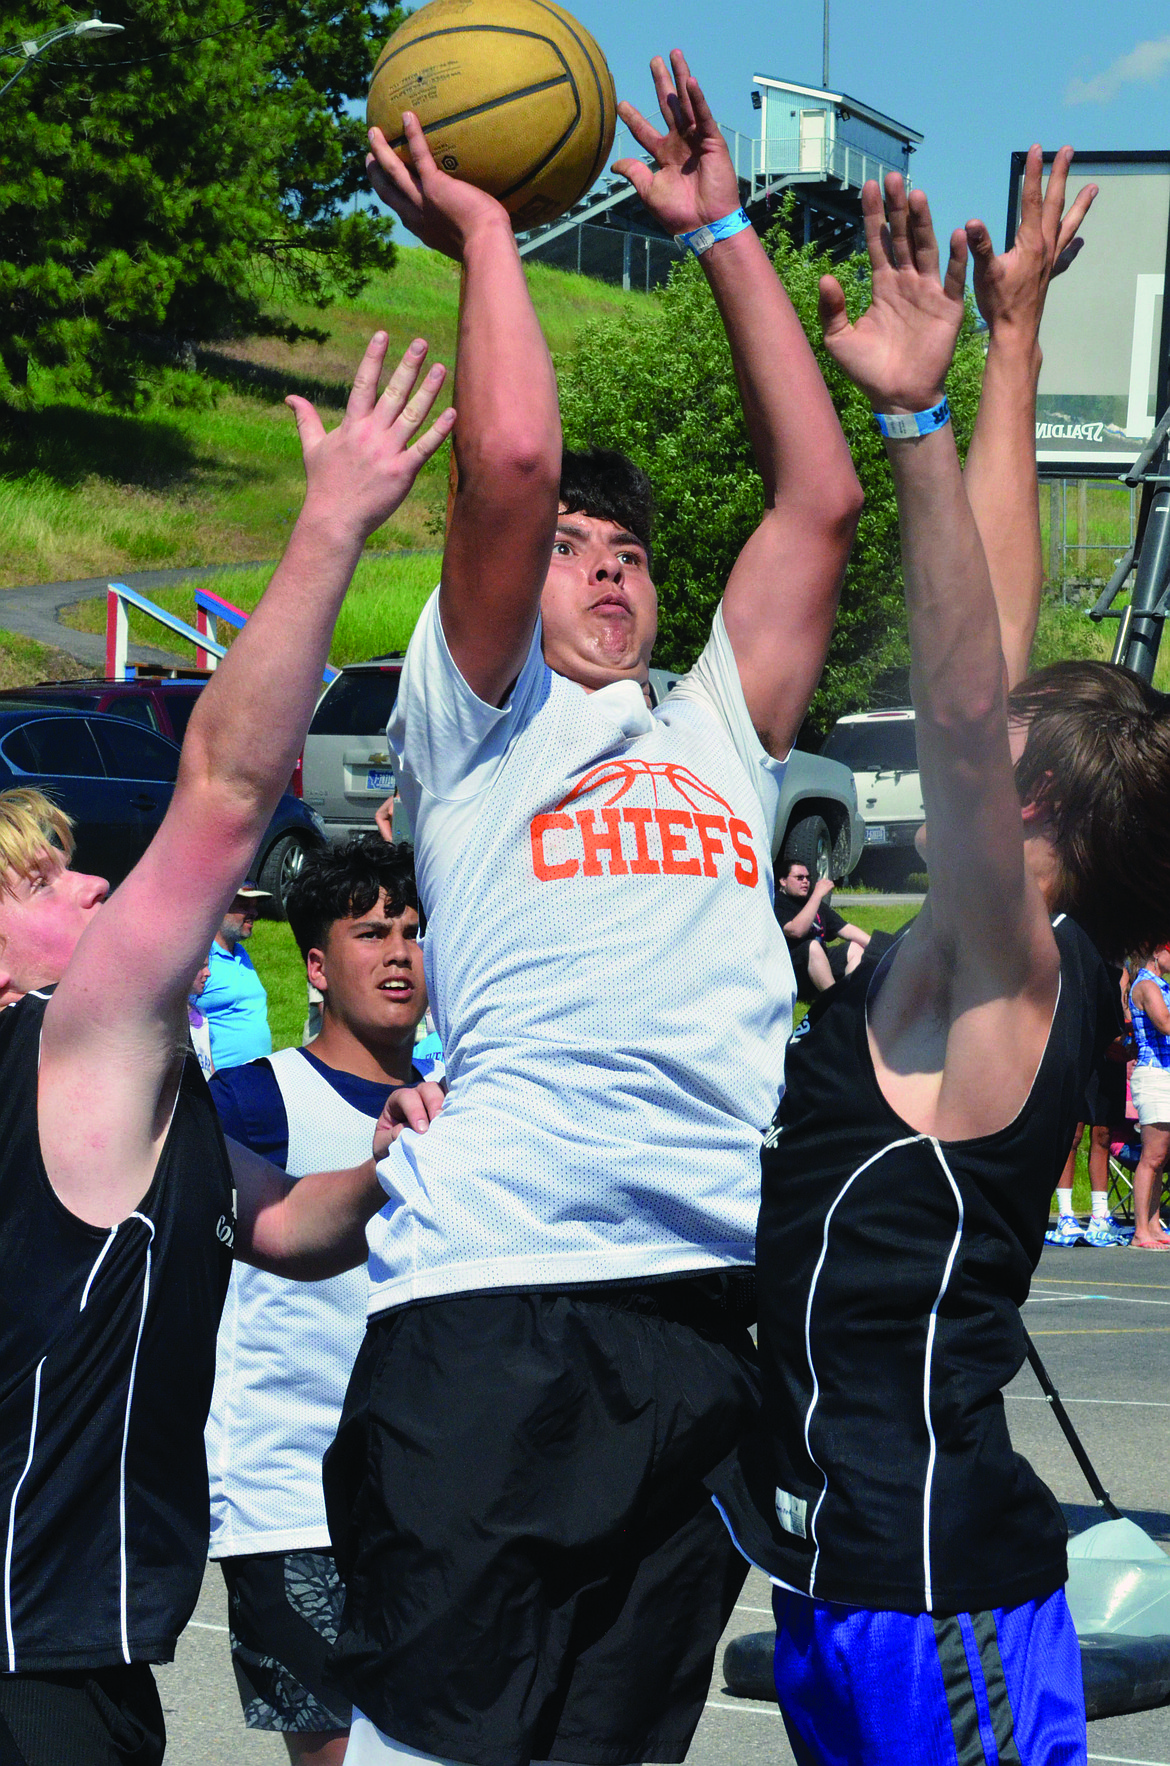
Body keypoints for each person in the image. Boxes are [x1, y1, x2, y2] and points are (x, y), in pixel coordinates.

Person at [326, 48, 863, 1766]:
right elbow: (507, 459)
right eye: (569, 547)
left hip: (703, 1305)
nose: (605, 562)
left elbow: (821, 500)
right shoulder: (471, 719)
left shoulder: (711, 732)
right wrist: (490, 232)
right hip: (497, 1297)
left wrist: (721, 231)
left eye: (625, 547)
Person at [710, 149, 1170, 1763]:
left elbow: (972, 703)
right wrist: (1016, 337)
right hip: (858, 1580)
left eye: (997, 739)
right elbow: (995, 611)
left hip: (936, 1599)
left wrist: (912, 416)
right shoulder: (1000, 945)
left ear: (1029, 797)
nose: (958, 701)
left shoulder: (1026, 966)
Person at [0, 331, 456, 1766]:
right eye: (48, 876)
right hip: (33, 1658)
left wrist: (389, 1170)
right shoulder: (68, 1052)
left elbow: (277, 1225)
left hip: (75, 1639)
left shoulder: (134, 1100)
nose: (90, 885)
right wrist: (330, 527)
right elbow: (224, 785)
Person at [205, 837, 429, 1765]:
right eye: (370, 931)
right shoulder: (253, 1102)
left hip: (427, 1497)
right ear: (314, 964)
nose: (399, 953)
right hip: (289, 1496)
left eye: (415, 931)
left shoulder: (463, 1104)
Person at [1047, 973, 1132, 1248]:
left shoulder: (1123, 970)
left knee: (1103, 1135)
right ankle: (1066, 1215)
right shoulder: (1086, 963)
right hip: (1084, 1054)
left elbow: (1123, 1012)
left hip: (1109, 1060)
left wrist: (1127, 1041)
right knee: (1073, 1134)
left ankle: (1099, 1214)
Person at [774, 860, 870, 998]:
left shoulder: (812, 902)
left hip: (820, 965)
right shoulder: (778, 903)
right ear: (783, 881)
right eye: (799, 878)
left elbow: (845, 929)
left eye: (807, 878)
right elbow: (796, 931)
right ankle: (833, 1000)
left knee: (855, 947)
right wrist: (817, 895)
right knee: (812, 946)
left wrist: (877, 945)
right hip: (793, 969)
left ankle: (850, 997)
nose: (805, 881)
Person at [202, 882, 273, 1068]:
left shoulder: (241, 953)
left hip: (256, 1078)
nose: (254, 913)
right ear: (220, 908)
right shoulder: (201, 959)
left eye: (255, 906)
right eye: (245, 906)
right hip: (219, 1086)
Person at [1127, 942, 1170, 1248]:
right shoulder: (1146, 985)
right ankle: (1140, 1229)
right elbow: (1166, 1024)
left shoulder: (1162, 986)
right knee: (1151, 1156)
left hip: (1165, 1075)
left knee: (1161, 1157)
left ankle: (1153, 1225)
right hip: (1153, 1075)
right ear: (1158, 952)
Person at [188, 957, 214, 1078]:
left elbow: (210, 1068)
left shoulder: (202, 1015)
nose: (208, 973)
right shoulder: (168, 1019)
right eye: (201, 966)